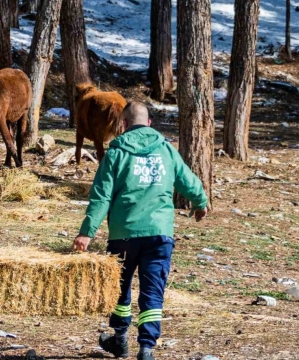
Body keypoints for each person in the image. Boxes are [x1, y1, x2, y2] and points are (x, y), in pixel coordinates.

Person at [72, 102, 207, 360]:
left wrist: (87, 233)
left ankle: (120, 339)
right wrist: (200, 202)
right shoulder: (166, 150)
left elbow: (101, 198)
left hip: (124, 234)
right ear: (149, 123)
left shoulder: (115, 153)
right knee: (153, 290)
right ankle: (146, 348)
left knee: (119, 288)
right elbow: (189, 181)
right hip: (159, 233)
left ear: (123, 124)